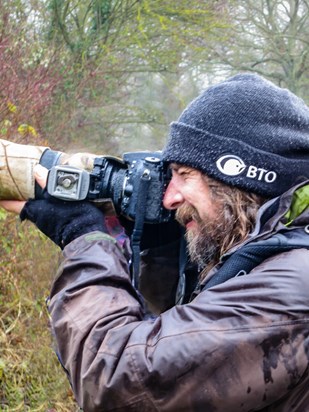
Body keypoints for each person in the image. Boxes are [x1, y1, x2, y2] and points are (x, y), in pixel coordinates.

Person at [1, 73, 309, 412]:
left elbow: (120, 381)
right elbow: (172, 336)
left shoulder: (291, 287)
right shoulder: (262, 258)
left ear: (238, 177)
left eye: (185, 174)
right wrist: (159, 245)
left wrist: (81, 236)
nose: (168, 198)